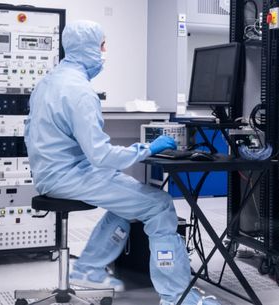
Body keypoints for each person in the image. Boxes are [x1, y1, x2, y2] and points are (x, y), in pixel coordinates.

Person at [24, 20, 221, 305]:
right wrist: (147, 148)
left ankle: (88, 267)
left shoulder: (50, 81)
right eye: (103, 45)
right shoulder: (78, 90)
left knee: (129, 201)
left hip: (52, 173)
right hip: (69, 176)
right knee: (159, 205)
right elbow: (101, 156)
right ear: (90, 47)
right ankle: (176, 296)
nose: (105, 52)